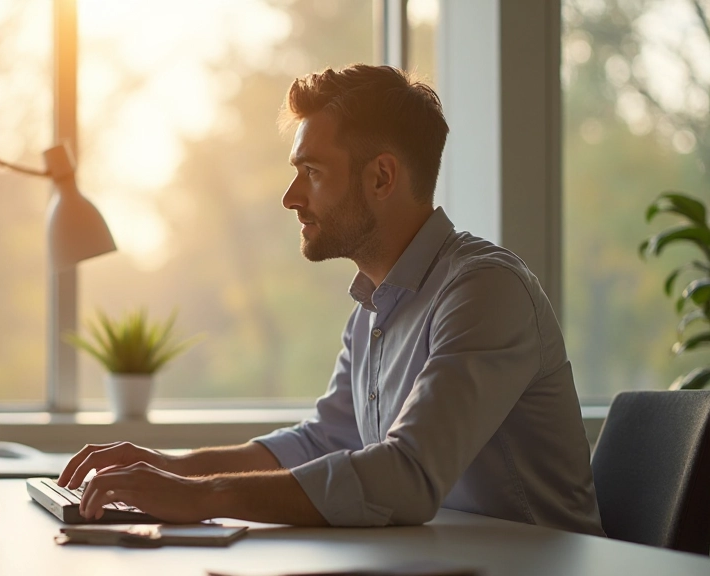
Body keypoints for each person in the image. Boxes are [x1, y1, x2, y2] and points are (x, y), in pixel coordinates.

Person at [56, 64, 604, 535]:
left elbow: (407, 477)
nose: (291, 197)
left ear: (382, 177)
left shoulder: (484, 290)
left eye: (312, 173)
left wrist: (202, 498)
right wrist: (177, 469)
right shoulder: (373, 309)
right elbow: (323, 441)